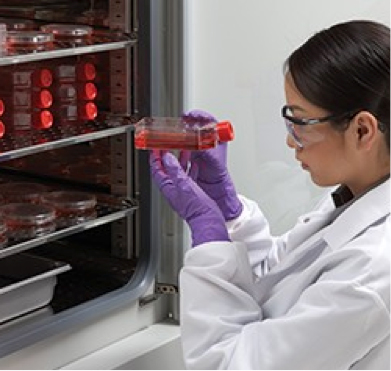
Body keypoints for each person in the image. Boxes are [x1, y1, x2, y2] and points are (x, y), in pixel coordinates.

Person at [149, 20, 390, 369]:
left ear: (363, 130)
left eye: (300, 122)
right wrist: (228, 212)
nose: (290, 141)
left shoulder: (370, 273)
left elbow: (228, 364)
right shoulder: (358, 194)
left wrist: (208, 234)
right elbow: (282, 282)